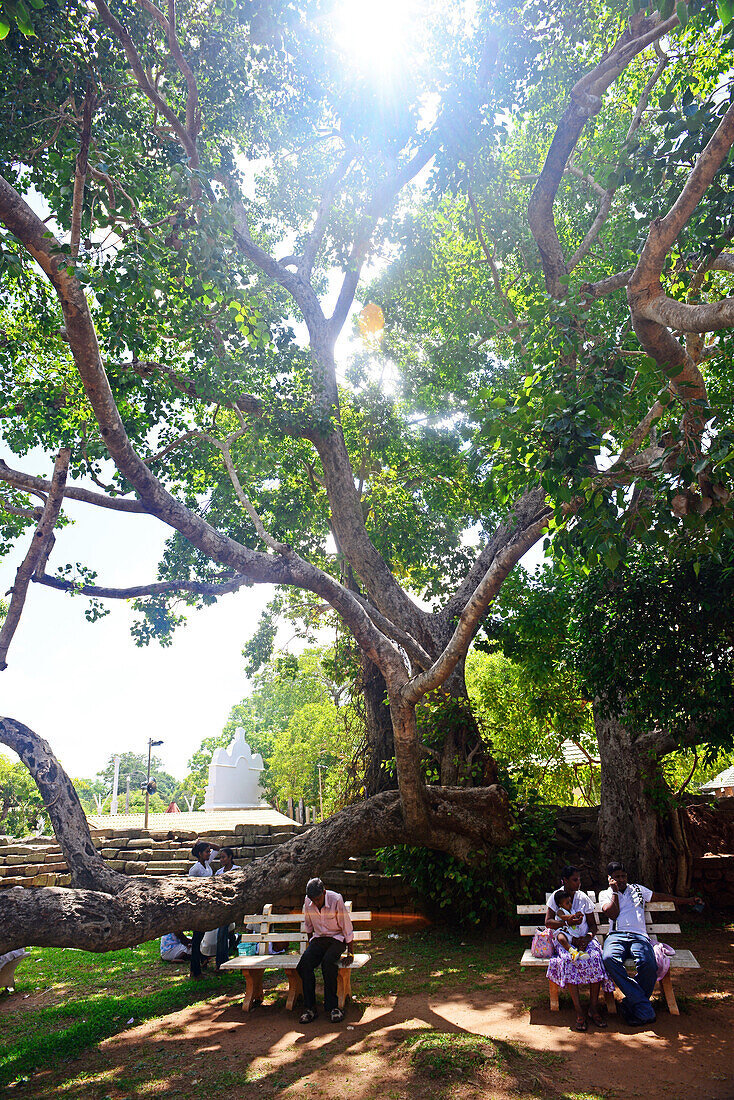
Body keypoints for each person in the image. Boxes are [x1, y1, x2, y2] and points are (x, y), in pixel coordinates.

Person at [600, 860, 700, 1025]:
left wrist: (687, 900)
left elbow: (660, 896)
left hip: (639, 936)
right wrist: (615, 893)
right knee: (608, 959)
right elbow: (612, 914)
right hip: (616, 935)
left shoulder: (638, 889)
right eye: (617, 877)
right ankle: (643, 1007)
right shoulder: (605, 893)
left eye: (623, 876)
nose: (621, 879)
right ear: (610, 879)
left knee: (648, 963)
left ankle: (632, 1002)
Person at [545, 864, 614, 1032]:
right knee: (569, 961)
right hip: (567, 941)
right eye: (575, 880)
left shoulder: (583, 898)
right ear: (565, 881)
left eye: (580, 880)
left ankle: (593, 1008)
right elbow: (548, 922)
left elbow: (593, 925)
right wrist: (566, 922)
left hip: (585, 940)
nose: (579, 883)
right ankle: (579, 1012)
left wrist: (588, 938)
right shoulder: (556, 896)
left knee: (596, 959)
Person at [296, 877, 354, 1024]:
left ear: (324, 892)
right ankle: (310, 1008)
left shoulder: (336, 899)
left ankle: (333, 1007)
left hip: (337, 939)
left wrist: (350, 952)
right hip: (319, 940)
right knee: (304, 964)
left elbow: (346, 926)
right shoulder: (308, 901)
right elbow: (308, 925)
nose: (315, 902)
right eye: (312, 900)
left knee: (328, 963)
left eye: (318, 899)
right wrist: (310, 947)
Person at [188, 839, 221, 979]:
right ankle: (195, 970)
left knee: (202, 937)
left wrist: (205, 843)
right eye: (206, 852)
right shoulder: (195, 869)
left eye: (209, 852)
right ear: (200, 854)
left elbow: (218, 848)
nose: (209, 853)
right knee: (197, 938)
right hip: (199, 906)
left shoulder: (207, 864)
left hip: (209, 903)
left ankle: (202, 961)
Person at [213, 846, 240, 970]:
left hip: (233, 905)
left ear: (230, 857)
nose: (221, 860)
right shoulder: (219, 873)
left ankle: (221, 961)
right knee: (223, 932)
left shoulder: (237, 870)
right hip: (222, 907)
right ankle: (223, 959)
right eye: (220, 857)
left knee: (222, 932)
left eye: (224, 857)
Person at [551, 888, 590, 962]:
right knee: (560, 937)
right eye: (567, 903)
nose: (570, 904)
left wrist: (578, 916)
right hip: (565, 932)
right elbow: (563, 917)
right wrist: (573, 916)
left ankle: (581, 952)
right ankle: (572, 951)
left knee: (581, 939)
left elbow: (575, 917)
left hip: (573, 932)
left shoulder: (572, 910)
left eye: (570, 902)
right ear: (560, 905)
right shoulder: (560, 911)